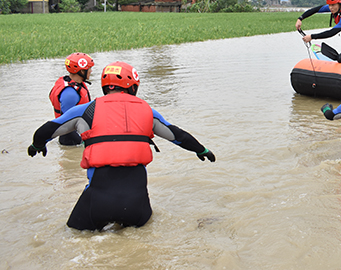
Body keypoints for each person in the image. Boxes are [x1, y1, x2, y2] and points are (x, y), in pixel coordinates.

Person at [28, 61, 216, 231]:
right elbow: (178, 136)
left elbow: (46, 130)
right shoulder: (147, 111)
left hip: (97, 202)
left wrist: (37, 146)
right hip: (136, 204)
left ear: (105, 87)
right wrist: (201, 150)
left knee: (75, 236)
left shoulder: (86, 110)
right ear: (133, 87)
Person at [49, 52, 94, 146]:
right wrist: (84, 141)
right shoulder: (70, 94)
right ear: (82, 71)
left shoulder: (75, 84)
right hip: (71, 139)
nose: (91, 71)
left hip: (77, 132)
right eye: (89, 68)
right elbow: (67, 122)